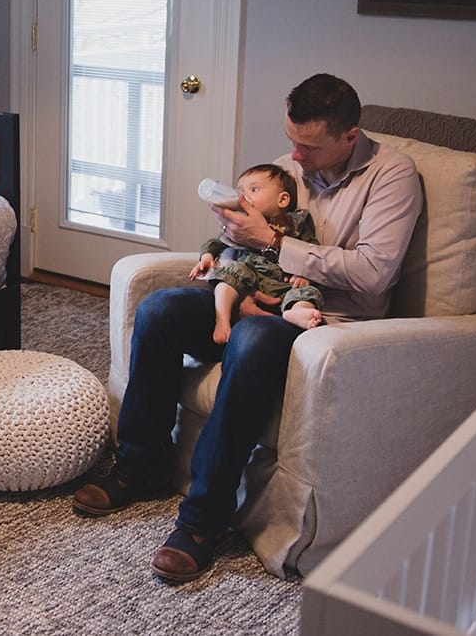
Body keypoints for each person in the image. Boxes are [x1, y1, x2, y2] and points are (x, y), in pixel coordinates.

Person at [73, 73, 424, 583]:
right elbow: (245, 244)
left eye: (308, 146)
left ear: (350, 137)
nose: (294, 158)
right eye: (290, 140)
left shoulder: (393, 177)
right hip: (255, 295)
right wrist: (232, 251)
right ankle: (141, 463)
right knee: (161, 310)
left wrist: (275, 244)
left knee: (253, 338)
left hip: (323, 320)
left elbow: (374, 275)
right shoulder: (288, 168)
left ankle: (202, 520)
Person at [192, 164, 323, 345]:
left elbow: (311, 249)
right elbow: (216, 243)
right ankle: (222, 318)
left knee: (307, 292)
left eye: (254, 190)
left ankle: (296, 313)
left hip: (282, 285)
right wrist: (206, 256)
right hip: (247, 277)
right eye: (240, 191)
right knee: (230, 272)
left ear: (283, 199)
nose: (243, 196)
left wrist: (303, 273)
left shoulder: (296, 225)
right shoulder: (240, 224)